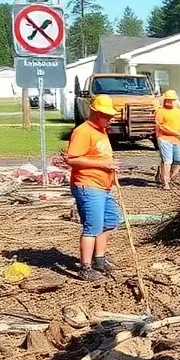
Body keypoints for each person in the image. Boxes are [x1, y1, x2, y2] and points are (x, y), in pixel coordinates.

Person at [64, 94, 120, 281]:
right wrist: (103, 165)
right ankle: (85, 267)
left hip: (103, 186)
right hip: (88, 185)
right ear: (95, 112)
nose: (109, 118)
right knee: (92, 226)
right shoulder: (83, 131)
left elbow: (99, 156)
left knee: (110, 220)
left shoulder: (102, 131)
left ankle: (100, 259)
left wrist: (110, 164)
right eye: (105, 115)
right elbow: (71, 159)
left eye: (110, 115)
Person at [155, 89, 180, 190]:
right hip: (164, 139)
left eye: (173, 100)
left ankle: (169, 178)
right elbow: (162, 127)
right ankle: (166, 183)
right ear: (165, 100)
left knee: (178, 161)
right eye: (169, 100)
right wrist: (177, 134)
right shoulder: (160, 112)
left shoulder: (177, 111)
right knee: (167, 160)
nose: (171, 102)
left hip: (177, 140)